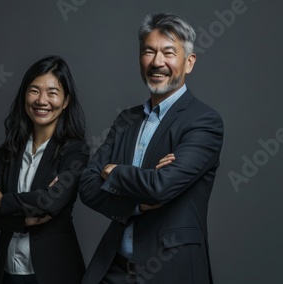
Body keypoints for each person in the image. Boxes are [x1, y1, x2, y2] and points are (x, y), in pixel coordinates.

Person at [79, 12, 224, 284]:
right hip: (114, 270)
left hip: (170, 272)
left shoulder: (204, 121)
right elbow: (87, 185)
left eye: (169, 53)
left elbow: (161, 186)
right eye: (149, 51)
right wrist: (137, 204)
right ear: (140, 58)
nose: (157, 62)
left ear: (189, 62)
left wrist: (113, 171)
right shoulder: (127, 120)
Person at [0, 55, 88, 284]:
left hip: (55, 273)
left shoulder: (75, 152)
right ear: (24, 96)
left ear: (66, 100)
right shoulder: (9, 151)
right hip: (9, 272)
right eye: (34, 90)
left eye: (52, 92)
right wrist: (24, 221)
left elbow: (51, 202)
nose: (42, 100)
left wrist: (2, 201)